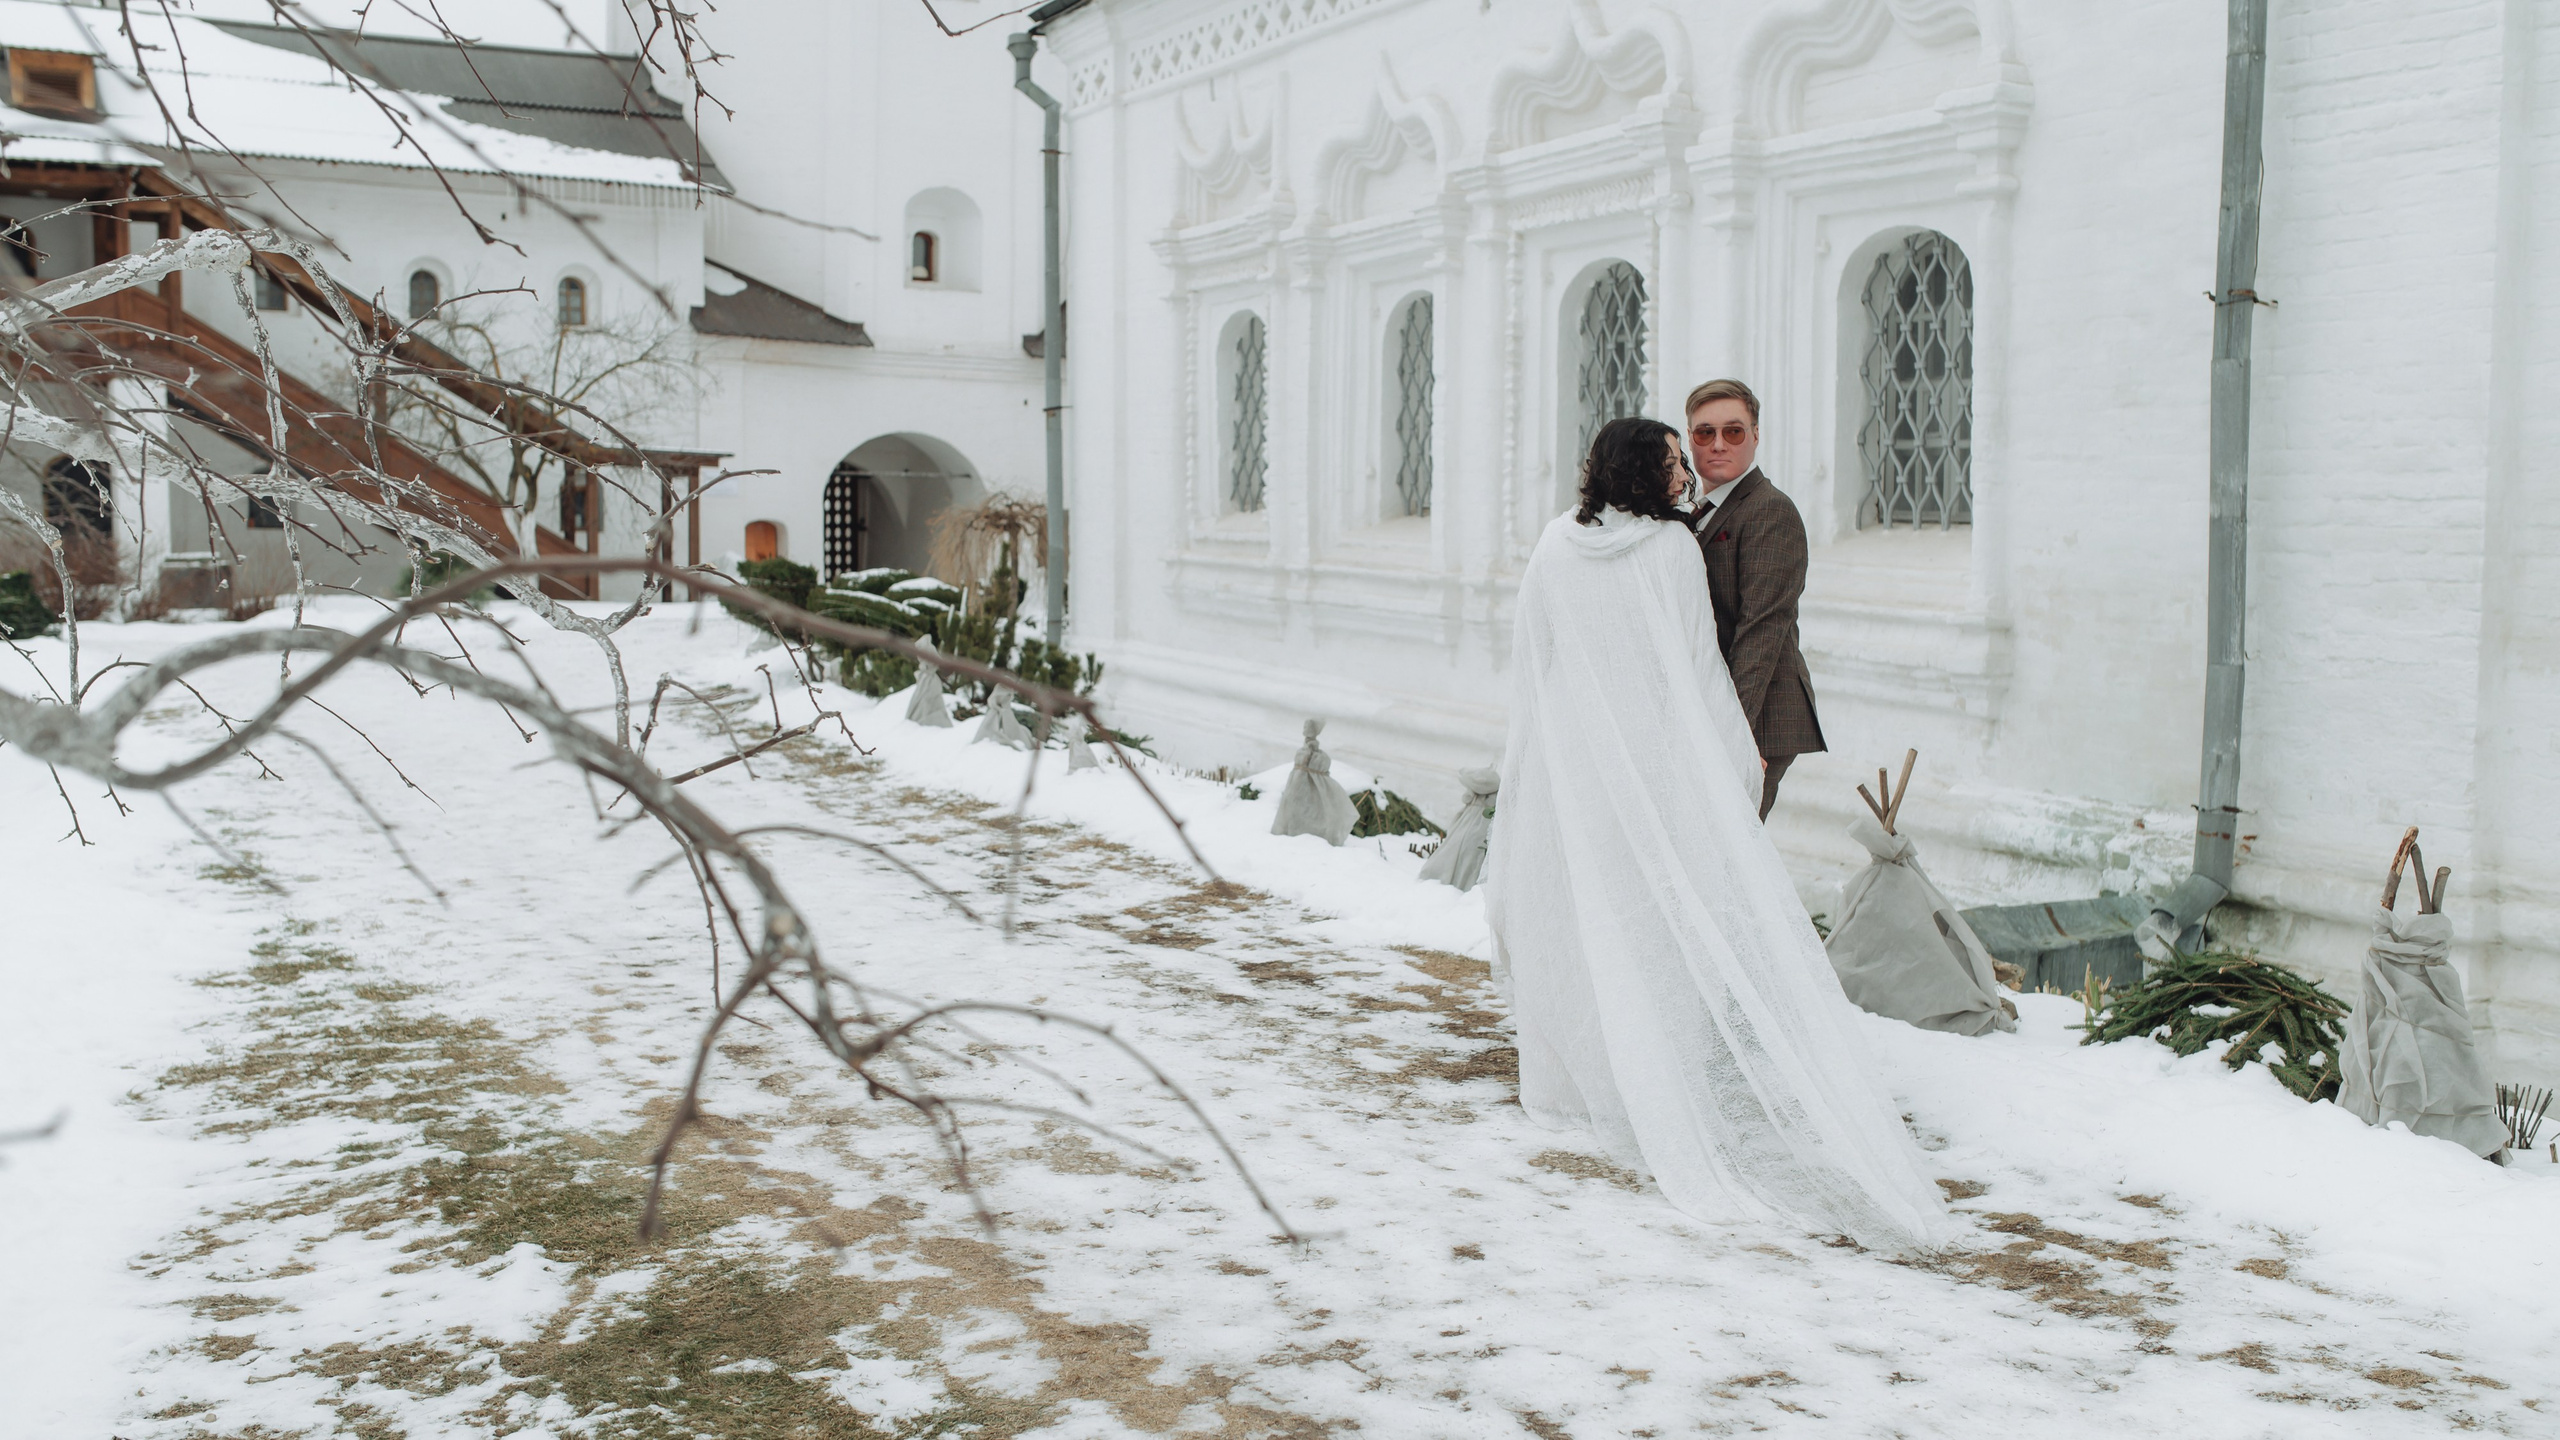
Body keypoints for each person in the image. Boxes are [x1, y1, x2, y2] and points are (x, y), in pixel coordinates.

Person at [1484, 416, 1948, 1253]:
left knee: (1584, 907)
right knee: (1653, 913)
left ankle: (1576, 1081)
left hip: (1573, 754)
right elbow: (1697, 668)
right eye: (1671, 462)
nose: (1685, 475)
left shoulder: (1555, 543)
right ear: (1640, 472)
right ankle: (1653, 1079)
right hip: (1651, 753)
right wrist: (1736, 767)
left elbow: (1536, 657)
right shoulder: (1670, 549)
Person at [1684, 380, 1823, 819]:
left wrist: (1734, 736)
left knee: (1726, 847)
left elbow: (1760, 630)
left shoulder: (1769, 509)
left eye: (1734, 431)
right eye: (1705, 433)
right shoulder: (1698, 512)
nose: (1718, 444)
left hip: (1756, 718)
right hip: (1713, 712)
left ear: (1756, 435)